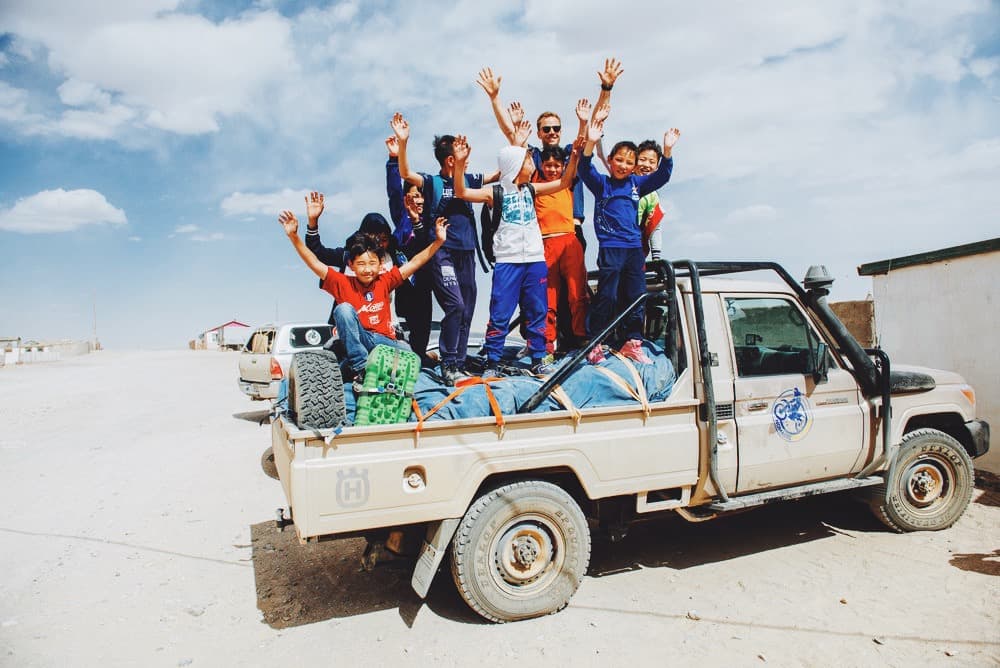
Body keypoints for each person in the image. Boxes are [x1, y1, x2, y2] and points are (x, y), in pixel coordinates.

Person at [452, 123, 582, 378]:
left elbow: (565, 181)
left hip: (535, 260)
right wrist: (459, 164)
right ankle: (492, 362)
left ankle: (538, 358)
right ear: (515, 165)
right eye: (528, 160)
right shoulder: (495, 192)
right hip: (508, 262)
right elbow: (461, 191)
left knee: (538, 311)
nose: (533, 163)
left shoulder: (531, 189)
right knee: (500, 312)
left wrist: (574, 157)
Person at [279, 207, 449, 392]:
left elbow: (416, 261)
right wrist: (294, 237)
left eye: (372, 264)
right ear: (351, 264)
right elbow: (314, 262)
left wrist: (439, 241)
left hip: (381, 340)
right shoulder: (342, 282)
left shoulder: (385, 280)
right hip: (355, 339)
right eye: (361, 264)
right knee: (343, 309)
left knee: (414, 360)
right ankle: (361, 369)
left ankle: (362, 368)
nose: (367, 269)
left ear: (380, 264)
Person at [391, 112, 499, 386]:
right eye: (462, 154)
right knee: (455, 305)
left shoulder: (470, 179)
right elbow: (405, 173)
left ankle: (459, 364)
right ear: (451, 159)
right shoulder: (432, 182)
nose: (467, 158)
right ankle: (448, 363)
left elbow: (499, 175)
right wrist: (403, 143)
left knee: (467, 309)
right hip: (442, 252)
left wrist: (518, 141)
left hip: (467, 253)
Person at [476, 59, 624, 246]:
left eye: (556, 128)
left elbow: (596, 124)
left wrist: (606, 88)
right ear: (539, 133)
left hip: (572, 228)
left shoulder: (572, 153)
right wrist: (495, 97)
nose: (552, 132)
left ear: (561, 131)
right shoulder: (534, 157)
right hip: (539, 231)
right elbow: (511, 133)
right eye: (546, 129)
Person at [579, 114, 680, 364]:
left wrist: (667, 150)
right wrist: (590, 143)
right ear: (611, 161)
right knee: (608, 296)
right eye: (619, 160)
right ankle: (596, 343)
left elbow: (662, 177)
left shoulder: (636, 185)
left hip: (634, 250)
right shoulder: (602, 184)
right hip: (611, 248)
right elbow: (584, 168)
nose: (623, 165)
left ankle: (632, 343)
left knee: (637, 296)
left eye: (629, 162)